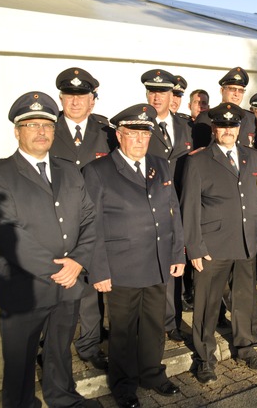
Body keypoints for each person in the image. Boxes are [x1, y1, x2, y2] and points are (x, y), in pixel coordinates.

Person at [0, 91, 96, 408]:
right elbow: (7, 233)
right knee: (19, 362)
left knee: (59, 350)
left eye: (46, 124)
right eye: (31, 125)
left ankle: (63, 397)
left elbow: (89, 218)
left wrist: (78, 261)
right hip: (25, 287)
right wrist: (60, 270)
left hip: (69, 284)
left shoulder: (69, 170)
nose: (41, 131)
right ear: (17, 131)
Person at [83, 103, 185, 407]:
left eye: (145, 134)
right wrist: (98, 270)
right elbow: (91, 225)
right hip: (121, 266)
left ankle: (152, 373)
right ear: (119, 134)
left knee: (154, 324)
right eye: (133, 134)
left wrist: (177, 252)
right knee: (124, 331)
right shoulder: (98, 171)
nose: (140, 141)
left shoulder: (159, 164)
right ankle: (124, 385)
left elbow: (173, 210)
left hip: (157, 260)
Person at [180, 102, 257, 383]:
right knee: (207, 304)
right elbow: (190, 208)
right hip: (213, 246)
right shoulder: (197, 161)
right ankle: (205, 357)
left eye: (233, 126)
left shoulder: (253, 157)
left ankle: (246, 347)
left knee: (245, 298)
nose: (228, 131)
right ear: (214, 129)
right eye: (223, 126)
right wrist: (194, 247)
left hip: (247, 242)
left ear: (239, 128)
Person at [51, 67, 116, 371]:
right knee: (55, 288)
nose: (75, 102)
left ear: (93, 99)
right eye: (69, 95)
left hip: (96, 222)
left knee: (91, 287)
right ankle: (50, 345)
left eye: (82, 96)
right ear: (61, 98)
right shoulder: (46, 130)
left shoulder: (106, 132)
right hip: (56, 222)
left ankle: (89, 344)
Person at [140, 69, 193, 342]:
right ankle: (151, 321)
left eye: (162, 92)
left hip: (182, 207)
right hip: (150, 207)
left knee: (176, 264)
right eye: (152, 91)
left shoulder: (186, 127)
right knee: (152, 265)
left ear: (173, 95)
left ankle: (171, 321)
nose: (156, 97)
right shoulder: (138, 125)